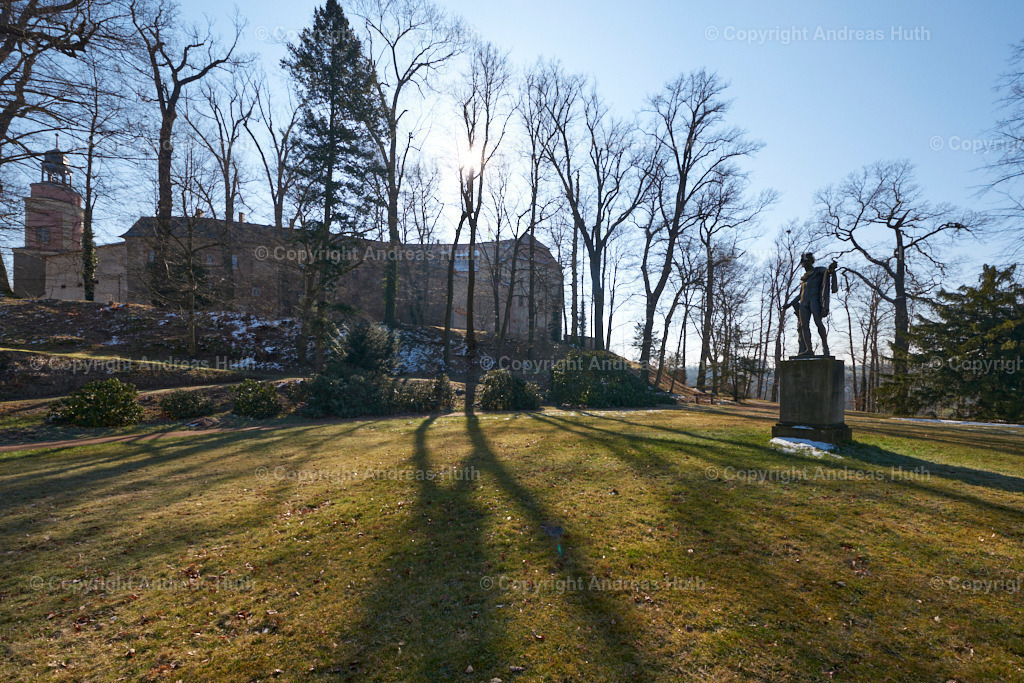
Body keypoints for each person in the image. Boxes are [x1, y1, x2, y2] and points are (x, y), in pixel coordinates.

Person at [786, 253, 839, 357]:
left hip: (814, 300)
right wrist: (789, 304)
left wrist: (831, 268)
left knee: (818, 322)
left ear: (812, 261)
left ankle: (825, 347)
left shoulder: (818, 271)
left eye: (808, 261)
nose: (805, 263)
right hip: (803, 303)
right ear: (802, 264)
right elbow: (800, 294)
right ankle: (809, 349)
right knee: (803, 326)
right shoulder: (804, 278)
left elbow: (827, 272)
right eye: (803, 262)